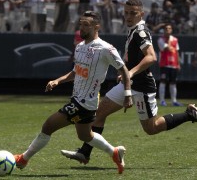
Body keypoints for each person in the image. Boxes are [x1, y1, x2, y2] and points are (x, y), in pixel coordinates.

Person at [60, 0, 197, 165]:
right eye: (126, 13)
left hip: (142, 86)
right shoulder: (133, 30)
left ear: (142, 14)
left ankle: (189, 114)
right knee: (99, 114)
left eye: (133, 13)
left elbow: (152, 57)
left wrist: (129, 73)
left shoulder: (140, 32)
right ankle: (84, 153)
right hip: (129, 84)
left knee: (151, 128)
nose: (128, 16)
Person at [14, 10, 133, 174]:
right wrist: (58, 81)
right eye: (80, 24)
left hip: (83, 103)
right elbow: (76, 71)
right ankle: (114, 152)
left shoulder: (106, 49)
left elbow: (124, 71)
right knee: (86, 136)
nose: (81, 28)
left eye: (86, 25)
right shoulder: (79, 47)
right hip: (80, 101)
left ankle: (23, 159)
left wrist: (127, 95)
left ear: (96, 27)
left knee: (48, 126)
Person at [157, 23, 182, 106]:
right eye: (166, 29)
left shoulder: (175, 39)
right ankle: (162, 101)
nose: (168, 30)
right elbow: (166, 48)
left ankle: (174, 101)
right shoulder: (160, 40)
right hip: (164, 64)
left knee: (173, 82)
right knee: (163, 81)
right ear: (164, 30)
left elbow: (177, 52)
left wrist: (178, 64)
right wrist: (168, 40)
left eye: (169, 28)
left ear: (171, 30)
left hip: (173, 65)